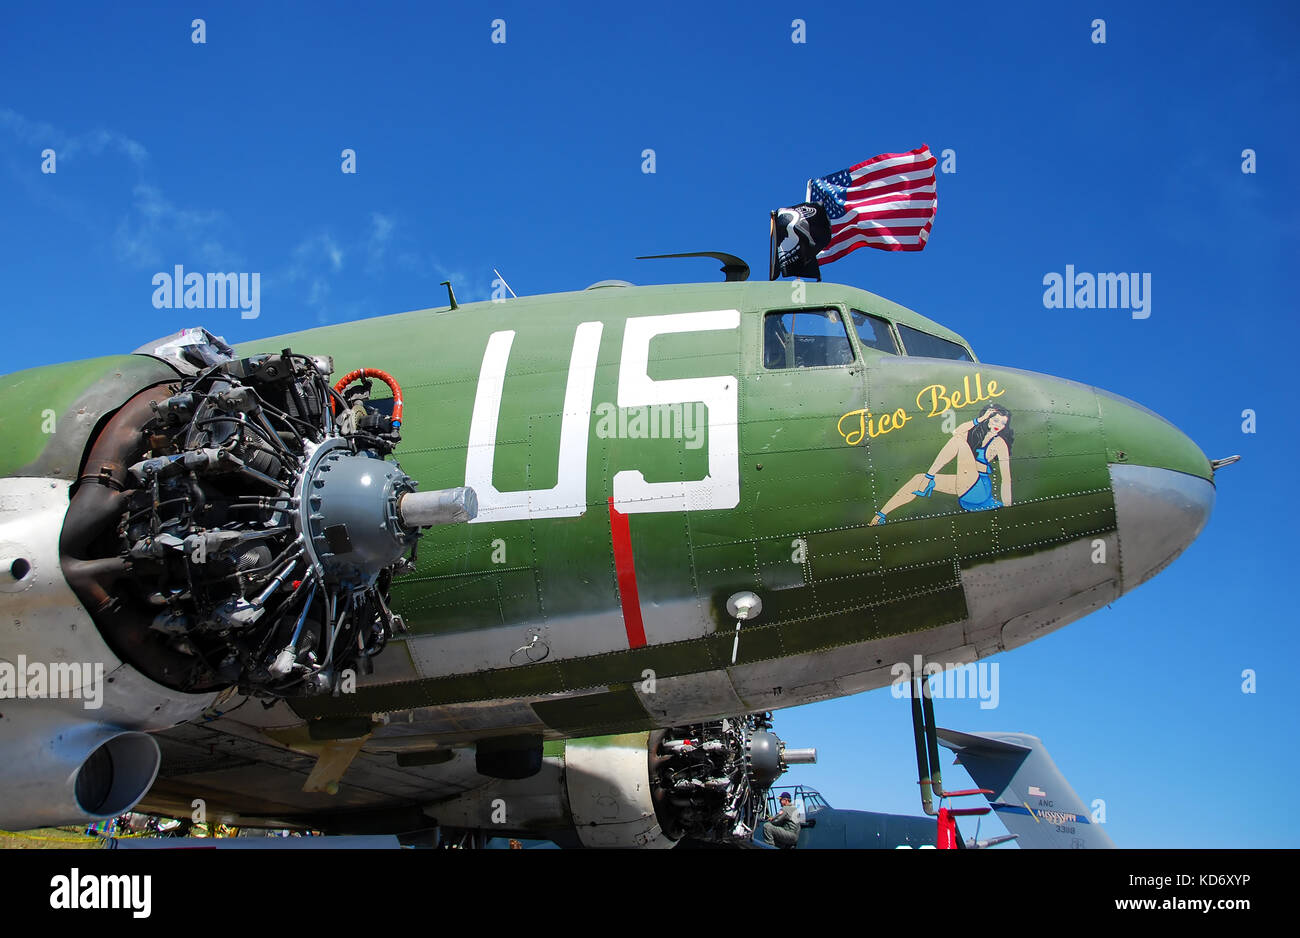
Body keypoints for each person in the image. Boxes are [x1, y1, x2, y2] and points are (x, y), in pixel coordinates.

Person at [869, 404, 1014, 525]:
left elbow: (1006, 479)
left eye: (1002, 423)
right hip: (965, 485)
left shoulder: (999, 443)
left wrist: (1008, 509)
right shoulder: (975, 434)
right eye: (995, 420)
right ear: (988, 419)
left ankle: (929, 476)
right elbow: (957, 431)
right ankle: (879, 517)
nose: (998, 426)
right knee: (917, 479)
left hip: (979, 489)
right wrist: (979, 420)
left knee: (957, 442)